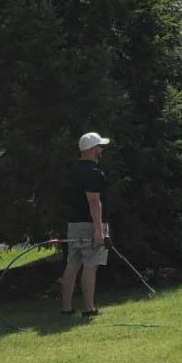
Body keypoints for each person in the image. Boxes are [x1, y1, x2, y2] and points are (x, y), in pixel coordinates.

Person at [61, 132, 111, 318]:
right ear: (91, 150)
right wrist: (99, 230)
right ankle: (89, 308)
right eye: (99, 147)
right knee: (91, 265)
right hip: (90, 224)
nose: (101, 150)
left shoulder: (73, 169)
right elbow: (93, 202)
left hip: (74, 223)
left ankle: (66, 308)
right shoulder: (93, 172)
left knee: (72, 263)